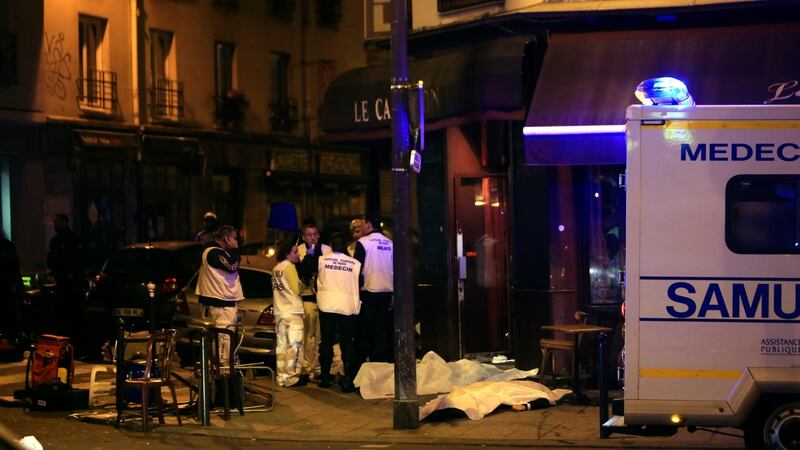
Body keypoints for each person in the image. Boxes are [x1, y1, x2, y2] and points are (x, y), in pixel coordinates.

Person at [316, 233, 361, 392]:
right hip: (347, 307)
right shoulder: (354, 263)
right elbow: (359, 282)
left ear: (331, 245)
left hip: (327, 305)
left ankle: (325, 377)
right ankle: (348, 379)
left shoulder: (322, 260)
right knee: (347, 343)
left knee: (326, 341)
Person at [195, 225, 243, 365]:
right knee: (224, 338)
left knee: (223, 339)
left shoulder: (216, 252)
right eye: (234, 238)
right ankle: (223, 370)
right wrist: (235, 250)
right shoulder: (214, 252)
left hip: (223, 302)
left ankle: (219, 368)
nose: (236, 241)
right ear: (226, 239)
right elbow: (232, 265)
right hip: (222, 304)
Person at [354, 214, 393, 363]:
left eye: (363, 224)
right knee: (381, 330)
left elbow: (357, 269)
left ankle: (363, 363)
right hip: (387, 291)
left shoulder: (363, 242)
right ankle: (380, 362)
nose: (362, 227)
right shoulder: (390, 243)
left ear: (368, 224)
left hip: (369, 291)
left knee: (365, 330)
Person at [296, 221, 332, 381]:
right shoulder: (299, 250)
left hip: (324, 298)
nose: (313, 238)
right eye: (309, 235)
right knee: (308, 335)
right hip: (308, 298)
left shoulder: (326, 250)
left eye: (315, 234)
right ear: (304, 237)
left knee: (320, 336)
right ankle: (307, 366)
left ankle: (317, 367)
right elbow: (301, 270)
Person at [271, 240, 308, 387]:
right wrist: (304, 285)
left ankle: (281, 377)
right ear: (287, 254)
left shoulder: (276, 268)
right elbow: (297, 289)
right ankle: (293, 377)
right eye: (295, 252)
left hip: (280, 312)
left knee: (281, 347)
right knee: (295, 346)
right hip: (293, 312)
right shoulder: (289, 267)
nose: (298, 254)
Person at [47, 214, 84, 343]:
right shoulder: (55, 240)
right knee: (61, 311)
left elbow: (78, 259)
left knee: (72, 311)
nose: (55, 226)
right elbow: (51, 259)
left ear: (65, 222)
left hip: (72, 283)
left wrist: (73, 274)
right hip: (61, 281)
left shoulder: (73, 239)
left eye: (57, 223)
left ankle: (74, 337)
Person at [0, 232, 22, 349]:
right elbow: (15, 266)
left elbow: (14, 266)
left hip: (6, 286)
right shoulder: (7, 246)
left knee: (7, 313)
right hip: (7, 286)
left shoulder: (6, 246)